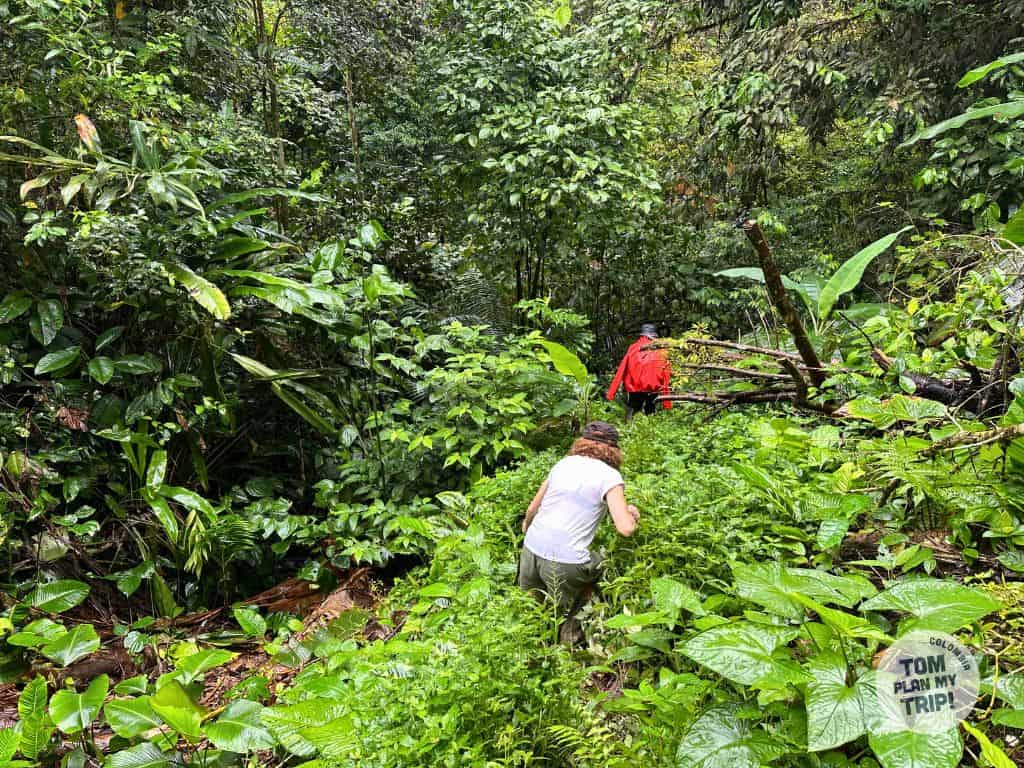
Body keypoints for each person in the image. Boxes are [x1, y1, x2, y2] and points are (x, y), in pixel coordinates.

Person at [518, 421, 640, 645]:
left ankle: (531, 647)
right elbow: (625, 528)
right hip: (565, 562)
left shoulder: (563, 464)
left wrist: (527, 529)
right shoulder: (610, 477)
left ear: (581, 442)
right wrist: (631, 514)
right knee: (603, 565)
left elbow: (532, 509)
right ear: (614, 449)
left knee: (534, 614)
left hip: (530, 551)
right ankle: (571, 633)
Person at [606, 322, 673, 417]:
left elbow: (621, 370)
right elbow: (666, 374)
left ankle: (629, 424)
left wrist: (611, 393)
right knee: (650, 410)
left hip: (634, 387)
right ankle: (649, 424)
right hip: (653, 387)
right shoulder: (661, 350)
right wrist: (667, 402)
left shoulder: (633, 348)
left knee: (633, 409)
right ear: (654, 335)